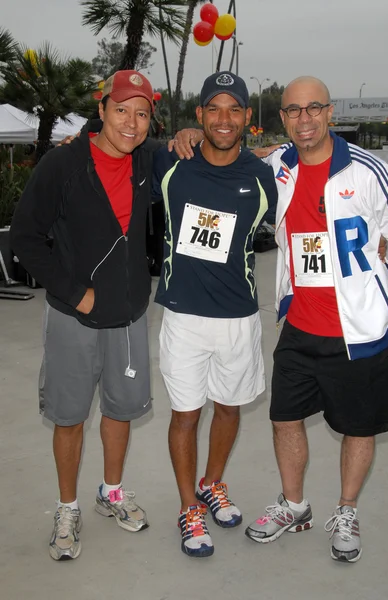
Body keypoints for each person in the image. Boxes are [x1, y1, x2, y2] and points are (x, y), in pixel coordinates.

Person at [10, 69, 199, 561]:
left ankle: (110, 492)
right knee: (70, 417)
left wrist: (189, 132)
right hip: (74, 317)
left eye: (141, 114)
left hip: (130, 315)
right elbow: (26, 239)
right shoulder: (62, 165)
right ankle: (67, 506)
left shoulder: (149, 160)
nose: (131, 124)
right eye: (121, 110)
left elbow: (188, 147)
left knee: (120, 409)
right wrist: (76, 292)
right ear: (101, 111)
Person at [245, 76, 388, 563]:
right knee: (284, 418)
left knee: (358, 426)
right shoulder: (278, 165)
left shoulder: (371, 171)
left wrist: (384, 256)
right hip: (300, 325)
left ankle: (347, 510)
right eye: (293, 110)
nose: (304, 118)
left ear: (330, 112)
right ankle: (294, 504)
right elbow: (224, 160)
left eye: (314, 108)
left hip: (360, 332)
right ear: (283, 118)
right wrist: (186, 138)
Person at [152, 72, 278, 558]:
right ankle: (189, 508)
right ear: (200, 115)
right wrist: (173, 136)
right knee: (185, 415)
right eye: (213, 109)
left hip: (239, 317)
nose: (223, 119)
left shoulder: (262, 175)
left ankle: (212, 483)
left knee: (229, 407)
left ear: (248, 118)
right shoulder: (171, 161)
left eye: (234, 109)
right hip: (183, 318)